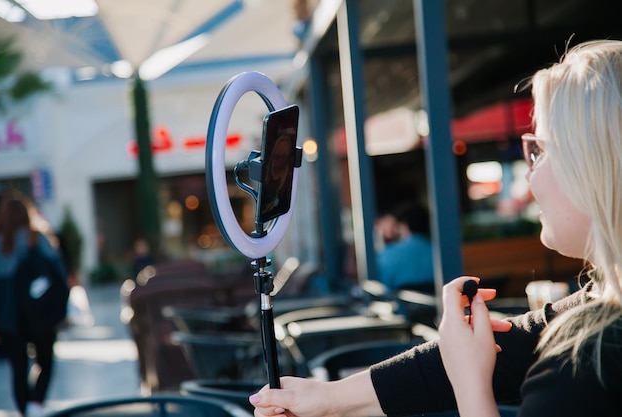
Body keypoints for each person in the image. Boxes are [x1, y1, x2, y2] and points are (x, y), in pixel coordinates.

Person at [250, 39, 622, 417]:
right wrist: (328, 401)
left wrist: (470, 382)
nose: (529, 171)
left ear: (593, 166)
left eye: (540, 150)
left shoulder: (589, 359)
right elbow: (519, 343)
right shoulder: (601, 311)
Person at [0, 193, 67, 417]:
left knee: (18, 369)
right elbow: (60, 275)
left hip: (9, 319)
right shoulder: (39, 239)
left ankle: (26, 411)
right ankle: (36, 404)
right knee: (46, 361)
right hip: (41, 315)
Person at [375, 203, 434, 293]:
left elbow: (382, 288)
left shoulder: (388, 254)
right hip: (437, 304)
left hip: (401, 305)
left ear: (405, 225)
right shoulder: (439, 252)